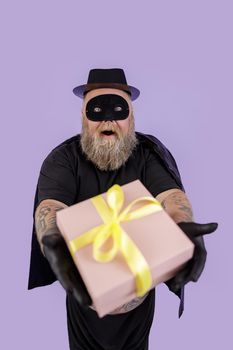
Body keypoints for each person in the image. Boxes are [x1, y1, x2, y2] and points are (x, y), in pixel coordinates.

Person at [28, 68, 217, 350]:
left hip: (139, 304)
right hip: (85, 305)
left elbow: (172, 197)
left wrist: (182, 226)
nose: (108, 119)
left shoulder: (147, 156)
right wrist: (52, 240)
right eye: (96, 110)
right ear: (83, 118)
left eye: (118, 110)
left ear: (132, 119)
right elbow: (50, 206)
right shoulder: (63, 160)